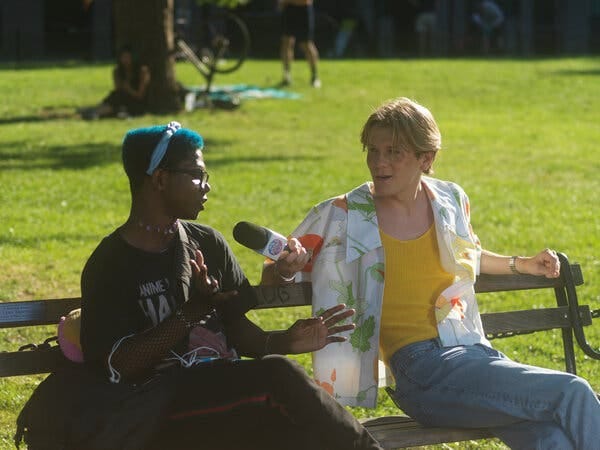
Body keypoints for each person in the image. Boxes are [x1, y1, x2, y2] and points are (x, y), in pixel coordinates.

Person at [15, 122, 385, 450]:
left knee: (296, 426)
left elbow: (240, 334)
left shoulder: (207, 242)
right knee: (280, 378)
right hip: (156, 411)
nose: (207, 186)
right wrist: (191, 313)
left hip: (222, 401)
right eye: (196, 174)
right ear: (159, 179)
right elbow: (121, 365)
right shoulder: (111, 264)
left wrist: (287, 341)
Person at [261, 97, 600, 449]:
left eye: (394, 151)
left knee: (550, 438)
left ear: (427, 158)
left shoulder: (449, 200)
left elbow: (465, 254)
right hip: (421, 372)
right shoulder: (342, 214)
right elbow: (275, 275)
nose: (379, 161)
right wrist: (286, 269)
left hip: (473, 354)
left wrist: (520, 264)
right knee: (571, 391)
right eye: (373, 150)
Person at [81, 45, 151, 120]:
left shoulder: (142, 71)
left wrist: (129, 89)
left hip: (136, 101)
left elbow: (140, 95)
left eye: (128, 57)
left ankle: (96, 113)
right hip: (121, 98)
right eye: (123, 57)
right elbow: (118, 89)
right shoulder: (118, 71)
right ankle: (96, 112)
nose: (125, 60)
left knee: (118, 101)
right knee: (116, 97)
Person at [278, 0, 321, 88]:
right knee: (286, 42)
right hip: (289, 9)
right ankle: (287, 76)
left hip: (303, 9)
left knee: (306, 44)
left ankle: (315, 76)